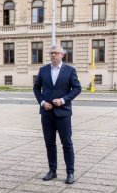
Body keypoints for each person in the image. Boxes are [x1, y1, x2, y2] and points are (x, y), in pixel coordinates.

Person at [32, 44, 82, 184]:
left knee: (67, 143)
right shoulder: (43, 70)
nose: (53, 55)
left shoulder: (70, 70)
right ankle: (52, 170)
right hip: (47, 113)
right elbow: (36, 89)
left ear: (62, 55)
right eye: (51, 53)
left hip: (63, 113)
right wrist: (42, 102)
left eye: (56, 53)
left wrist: (63, 100)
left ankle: (70, 172)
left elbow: (77, 88)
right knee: (49, 143)